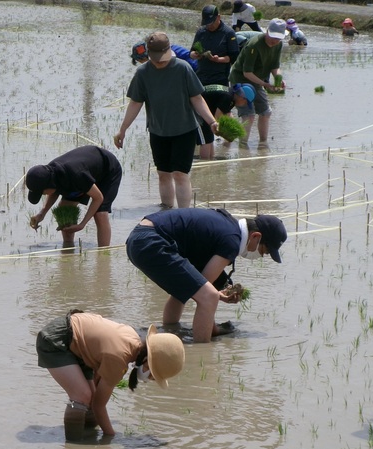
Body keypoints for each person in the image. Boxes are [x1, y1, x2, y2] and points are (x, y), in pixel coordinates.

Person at [126, 208, 287, 343]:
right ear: (255, 236)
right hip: (151, 241)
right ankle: (202, 352)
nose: (260, 255)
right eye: (263, 251)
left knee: (183, 290)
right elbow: (206, 288)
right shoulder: (232, 241)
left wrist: (219, 294)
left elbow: (199, 283)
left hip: (139, 239)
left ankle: (171, 332)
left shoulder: (228, 227)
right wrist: (215, 303)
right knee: (208, 295)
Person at [36, 311, 185, 440]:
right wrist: (111, 437)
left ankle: (87, 437)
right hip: (56, 340)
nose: (151, 380)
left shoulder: (133, 340)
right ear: (147, 363)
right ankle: (74, 444)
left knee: (90, 397)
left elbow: (97, 399)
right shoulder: (119, 358)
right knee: (81, 396)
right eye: (154, 376)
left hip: (77, 344)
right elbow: (99, 406)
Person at [114, 32, 219, 209]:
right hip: (158, 131)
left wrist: (211, 121)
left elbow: (197, 98)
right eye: (156, 58)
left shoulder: (183, 68)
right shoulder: (143, 72)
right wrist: (122, 129)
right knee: (163, 173)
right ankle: (167, 210)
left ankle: (184, 214)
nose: (159, 61)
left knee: (180, 174)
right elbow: (135, 103)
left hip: (184, 130)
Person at [26, 145, 122, 247]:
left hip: (107, 170)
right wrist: (42, 213)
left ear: (49, 184)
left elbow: (98, 198)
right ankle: (68, 246)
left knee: (100, 213)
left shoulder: (76, 175)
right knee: (64, 209)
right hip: (85, 172)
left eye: (43, 192)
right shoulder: (50, 173)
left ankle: (103, 254)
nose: (44, 195)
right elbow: (54, 191)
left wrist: (82, 224)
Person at [228, 18, 286, 146]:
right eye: (272, 37)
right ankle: (243, 146)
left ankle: (263, 144)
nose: (274, 41)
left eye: (278, 38)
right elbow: (246, 72)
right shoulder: (254, 45)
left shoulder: (278, 45)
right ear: (267, 32)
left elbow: (274, 67)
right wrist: (265, 84)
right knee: (249, 116)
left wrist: (278, 80)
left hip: (258, 81)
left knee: (266, 112)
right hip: (241, 80)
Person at [198, 83, 257, 159]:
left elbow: (228, 113)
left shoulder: (230, 94)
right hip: (198, 112)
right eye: (246, 103)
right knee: (206, 140)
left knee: (209, 139)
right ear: (242, 97)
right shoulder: (227, 97)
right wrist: (225, 135)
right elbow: (218, 117)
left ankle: (210, 162)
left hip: (205, 113)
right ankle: (204, 163)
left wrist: (235, 128)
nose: (244, 105)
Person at [191, 5, 240, 87]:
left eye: (211, 22)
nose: (209, 25)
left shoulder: (229, 33)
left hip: (220, 79)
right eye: (207, 23)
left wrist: (219, 59)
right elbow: (192, 51)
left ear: (218, 17)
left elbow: (233, 57)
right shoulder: (201, 32)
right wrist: (195, 55)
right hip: (201, 77)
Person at [131, 40, 198, 71]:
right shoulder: (152, 67)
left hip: (197, 73)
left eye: (142, 59)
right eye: (140, 60)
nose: (143, 62)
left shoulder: (173, 50)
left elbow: (190, 55)